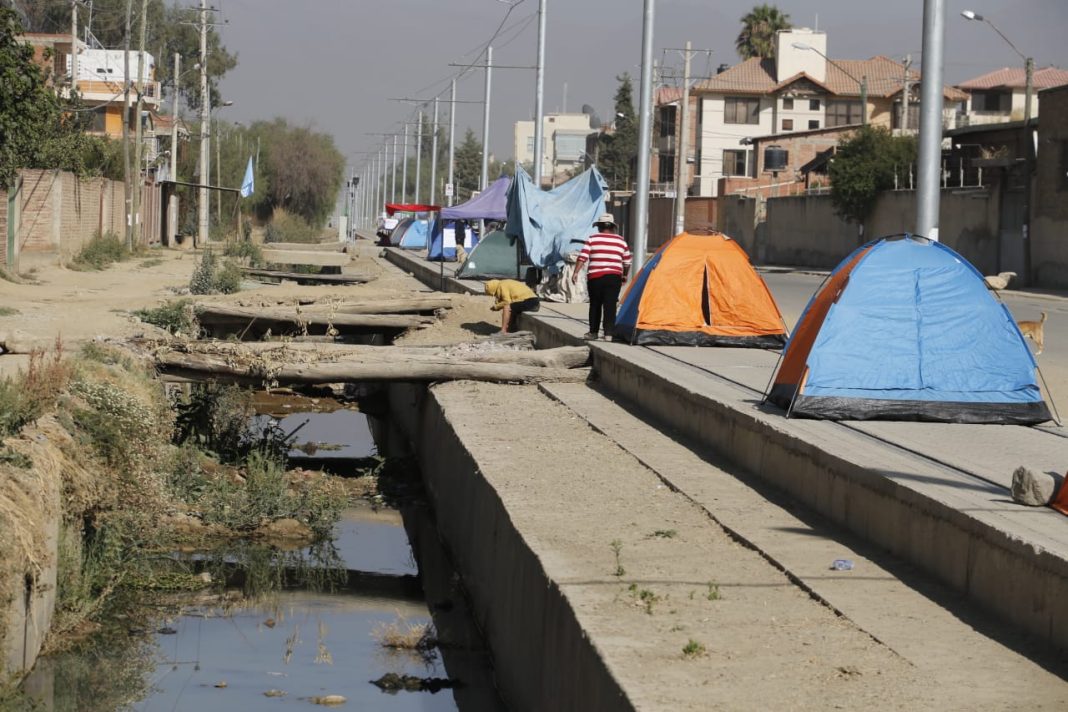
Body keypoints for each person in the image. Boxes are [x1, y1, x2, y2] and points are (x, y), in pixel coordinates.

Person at [572, 213, 631, 340]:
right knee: (610, 305)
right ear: (613, 227)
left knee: (595, 304)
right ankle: (608, 333)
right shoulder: (621, 241)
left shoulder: (592, 238)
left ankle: (593, 333)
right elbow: (627, 261)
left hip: (595, 277)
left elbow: (583, 257)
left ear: (599, 226)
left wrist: (576, 272)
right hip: (614, 277)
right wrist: (625, 276)